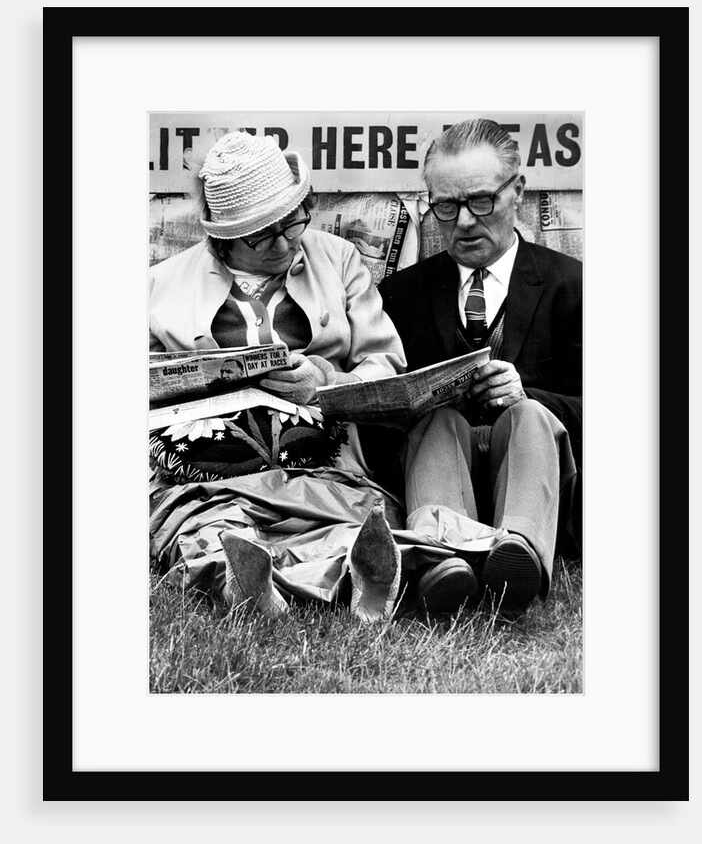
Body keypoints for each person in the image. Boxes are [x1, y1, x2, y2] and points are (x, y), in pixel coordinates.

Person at [150, 130, 502, 624]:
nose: (284, 242)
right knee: (212, 529)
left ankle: (313, 575)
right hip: (210, 473)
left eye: (292, 222)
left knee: (347, 522)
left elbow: (385, 364)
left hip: (325, 461)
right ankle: (254, 578)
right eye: (261, 235)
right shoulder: (160, 285)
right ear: (222, 237)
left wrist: (325, 380)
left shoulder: (337, 259)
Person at [378, 118, 582, 616]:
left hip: (540, 489)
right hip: (438, 477)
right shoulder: (399, 296)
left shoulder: (574, 287)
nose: (465, 221)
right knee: (436, 422)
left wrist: (528, 396)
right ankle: (443, 556)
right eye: (447, 207)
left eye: (481, 201)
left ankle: (519, 551)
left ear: (518, 192)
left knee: (530, 416)